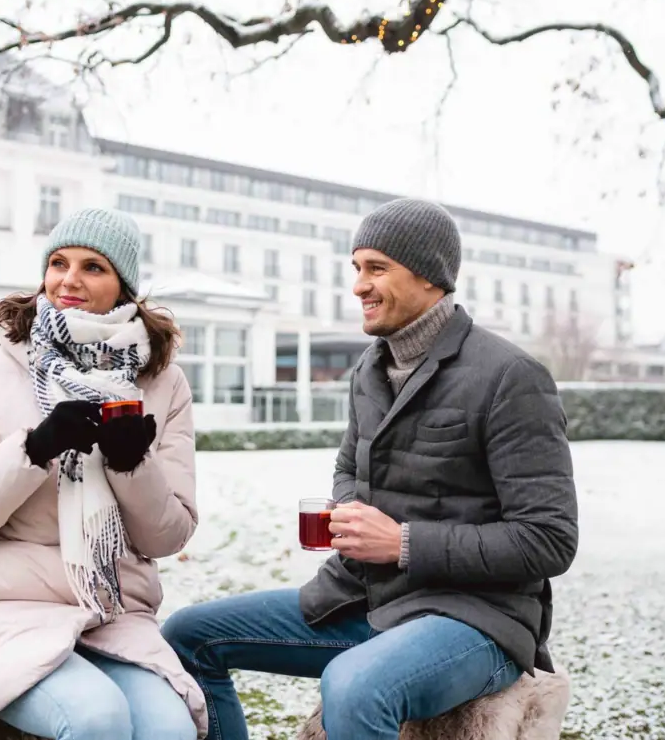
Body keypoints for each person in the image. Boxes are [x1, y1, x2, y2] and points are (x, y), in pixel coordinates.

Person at [162, 198, 579, 740]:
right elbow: (347, 468)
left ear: (431, 276)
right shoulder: (370, 369)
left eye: (376, 268)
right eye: (356, 268)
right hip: (364, 598)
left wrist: (403, 542)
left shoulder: (511, 376)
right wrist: (349, 509)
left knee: (356, 685)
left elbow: (549, 540)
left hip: (477, 620)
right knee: (188, 634)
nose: (358, 285)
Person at [0, 207, 206, 740]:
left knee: (171, 730)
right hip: (2, 606)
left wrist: (130, 467)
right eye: (58, 263)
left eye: (93, 267)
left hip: (111, 610)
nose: (69, 279)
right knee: (95, 718)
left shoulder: (164, 384)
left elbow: (169, 536)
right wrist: (34, 448)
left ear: (124, 287)